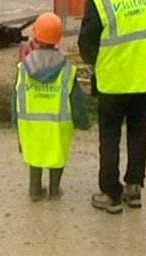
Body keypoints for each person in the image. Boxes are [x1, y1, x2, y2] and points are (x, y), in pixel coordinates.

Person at [78, 0, 146, 214]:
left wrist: (98, 62)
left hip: (113, 82)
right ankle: (134, 188)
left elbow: (86, 44)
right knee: (138, 134)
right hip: (144, 79)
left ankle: (110, 194)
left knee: (110, 137)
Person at [11, 12, 90, 201]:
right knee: (57, 158)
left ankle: (35, 189)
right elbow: (76, 100)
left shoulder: (23, 69)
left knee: (35, 158)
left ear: (35, 37)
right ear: (58, 40)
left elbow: (16, 99)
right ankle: (55, 190)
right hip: (57, 127)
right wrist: (82, 122)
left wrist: (16, 123)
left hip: (31, 128)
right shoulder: (66, 70)